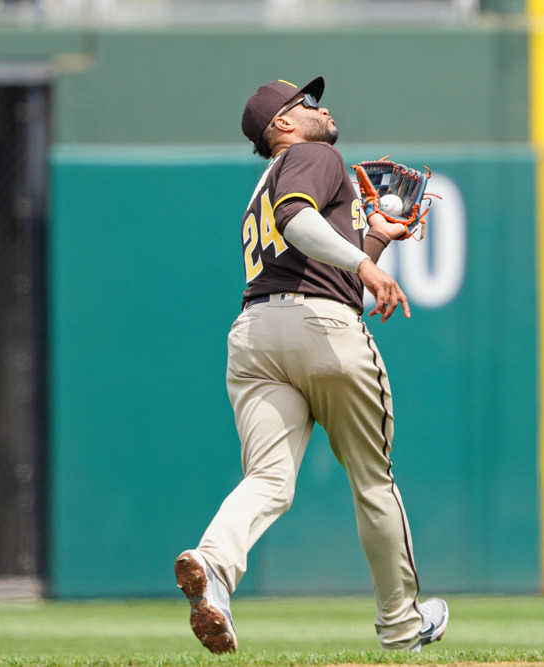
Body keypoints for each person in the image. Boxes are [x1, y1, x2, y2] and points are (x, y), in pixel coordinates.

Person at [174, 76, 448, 654]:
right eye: (307, 103)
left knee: (268, 479)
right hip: (319, 331)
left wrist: (373, 242)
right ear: (283, 124)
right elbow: (299, 222)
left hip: (255, 336)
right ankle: (402, 624)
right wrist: (368, 267)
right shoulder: (313, 154)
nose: (320, 108)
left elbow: (317, 256)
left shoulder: (265, 184)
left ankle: (213, 565)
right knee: (374, 480)